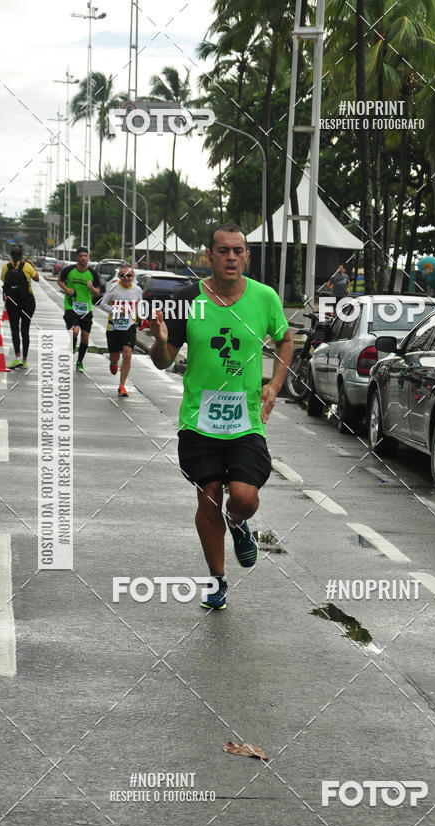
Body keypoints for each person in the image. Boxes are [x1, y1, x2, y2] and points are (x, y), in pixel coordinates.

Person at [149, 223, 293, 610]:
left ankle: (238, 521)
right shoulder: (188, 300)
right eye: (223, 250)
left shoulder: (264, 298)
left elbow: (286, 339)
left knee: (244, 498)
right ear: (209, 256)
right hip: (199, 421)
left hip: (246, 420)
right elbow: (163, 362)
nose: (231, 257)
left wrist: (274, 384)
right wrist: (160, 343)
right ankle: (217, 579)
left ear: (246, 256)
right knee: (208, 497)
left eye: (238, 251)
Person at [99, 264, 144, 397]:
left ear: (133, 276)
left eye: (129, 275)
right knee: (115, 357)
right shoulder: (113, 288)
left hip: (129, 327)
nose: (126, 278)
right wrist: (117, 310)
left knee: (127, 354)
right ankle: (113, 363)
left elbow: (140, 304)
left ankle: (122, 385)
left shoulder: (137, 290)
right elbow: (102, 304)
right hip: (113, 327)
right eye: (123, 275)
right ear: (119, 276)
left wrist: (143, 317)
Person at [57, 247, 100, 373]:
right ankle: (72, 344)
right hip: (71, 306)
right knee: (75, 331)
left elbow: (97, 292)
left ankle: (80, 362)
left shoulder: (92, 273)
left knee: (85, 337)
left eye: (85, 256)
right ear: (77, 257)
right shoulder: (69, 270)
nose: (83, 258)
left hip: (86, 308)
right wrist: (66, 289)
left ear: (88, 257)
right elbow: (59, 280)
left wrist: (91, 288)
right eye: (80, 256)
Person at [1, 246, 39, 369]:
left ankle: (17, 357)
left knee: (14, 329)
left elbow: (4, 281)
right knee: (25, 330)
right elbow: (37, 279)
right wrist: (33, 266)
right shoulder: (27, 267)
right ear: (22, 255)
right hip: (27, 302)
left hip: (12, 302)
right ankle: (25, 360)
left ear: (11, 255)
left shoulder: (6, 267)